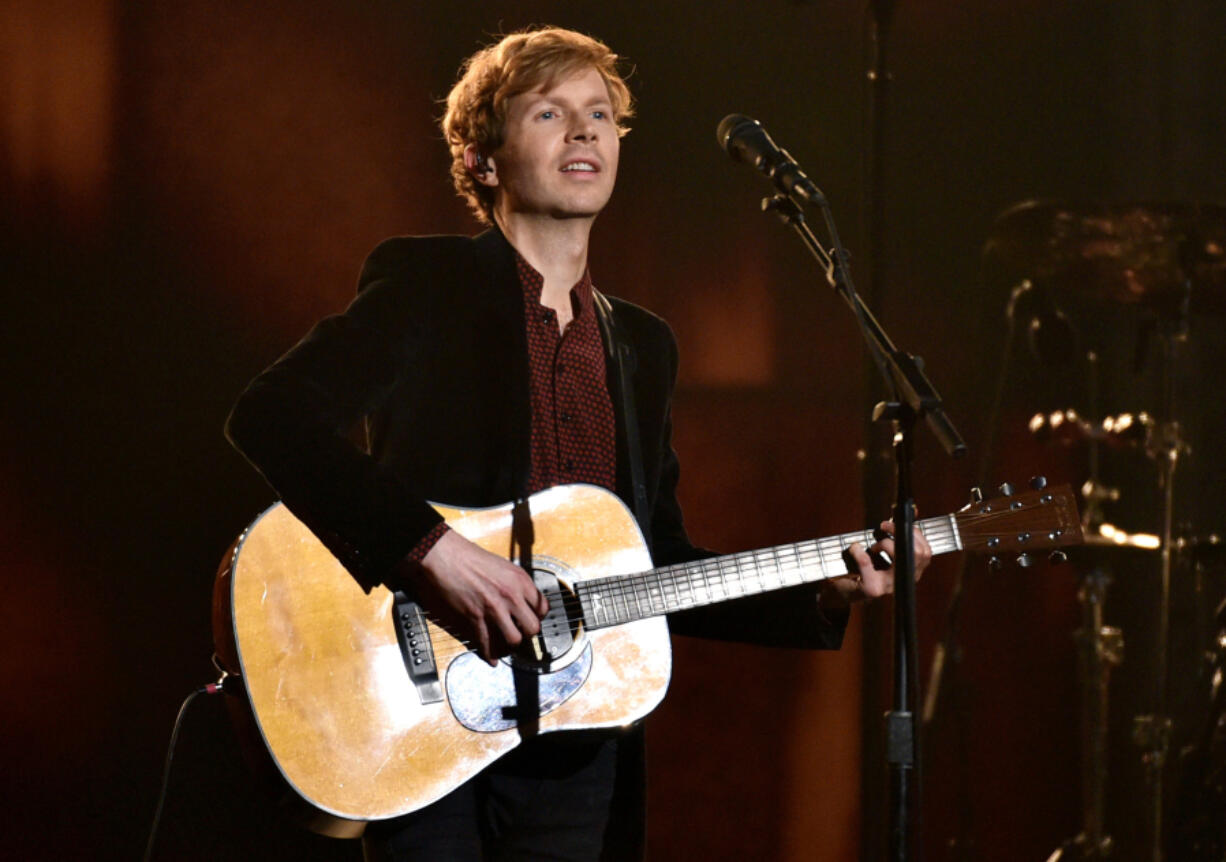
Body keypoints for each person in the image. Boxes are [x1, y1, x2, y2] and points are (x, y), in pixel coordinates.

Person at [225, 25, 931, 862]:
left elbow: (656, 561)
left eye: (599, 113)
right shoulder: (430, 285)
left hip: (579, 745)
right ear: (482, 160)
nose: (585, 130)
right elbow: (271, 415)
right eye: (550, 113)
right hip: (421, 725)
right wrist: (428, 550)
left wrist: (824, 594)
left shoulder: (641, 345)